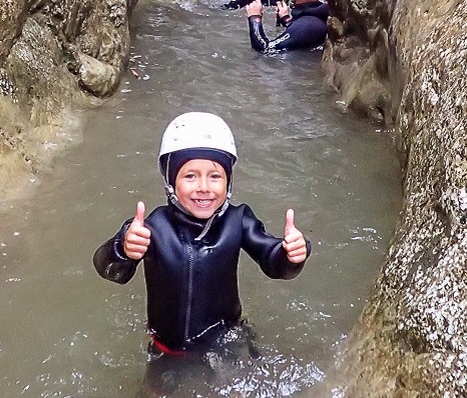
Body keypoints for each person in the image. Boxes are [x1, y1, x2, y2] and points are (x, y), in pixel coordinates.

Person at [93, 112, 310, 386]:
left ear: (228, 182)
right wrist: (123, 248)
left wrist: (290, 253)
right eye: (191, 176)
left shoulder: (238, 220)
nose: (204, 188)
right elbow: (109, 269)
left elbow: (272, 261)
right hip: (167, 349)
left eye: (215, 176)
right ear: (171, 182)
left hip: (225, 340)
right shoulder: (152, 228)